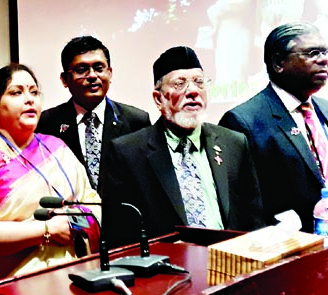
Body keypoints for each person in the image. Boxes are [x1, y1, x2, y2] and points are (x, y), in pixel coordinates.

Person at [0, 64, 101, 285]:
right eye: (17, 92)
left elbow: (94, 204)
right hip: (16, 289)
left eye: (34, 92)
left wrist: (72, 222)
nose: (30, 100)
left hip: (80, 277)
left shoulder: (56, 147)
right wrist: (46, 230)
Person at [102, 46, 265, 249]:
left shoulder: (233, 143)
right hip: (168, 272)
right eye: (180, 84)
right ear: (158, 98)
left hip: (231, 265)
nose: (193, 91)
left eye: (199, 82)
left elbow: (254, 220)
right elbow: (119, 237)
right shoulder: (127, 153)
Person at [220, 22, 328, 233]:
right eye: (313, 53)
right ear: (279, 62)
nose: (324, 59)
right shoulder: (243, 121)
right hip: (293, 249)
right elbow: (244, 208)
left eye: (325, 52)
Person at [35, 35, 150, 192]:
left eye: (99, 68)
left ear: (110, 73)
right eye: (82, 70)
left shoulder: (136, 120)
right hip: (68, 214)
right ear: (64, 79)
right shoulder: (47, 123)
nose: (92, 76)